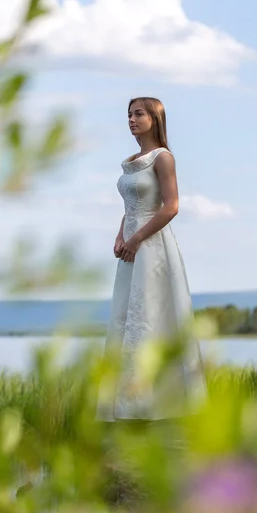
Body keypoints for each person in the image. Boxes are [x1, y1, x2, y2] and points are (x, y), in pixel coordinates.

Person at [96, 97, 207, 421]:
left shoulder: (163, 157)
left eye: (138, 113)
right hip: (130, 246)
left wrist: (136, 238)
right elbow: (130, 208)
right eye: (129, 114)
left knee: (153, 316)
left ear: (155, 118)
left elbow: (170, 206)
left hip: (152, 247)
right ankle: (130, 404)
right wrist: (120, 237)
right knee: (126, 318)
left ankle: (164, 404)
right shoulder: (132, 159)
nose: (131, 119)